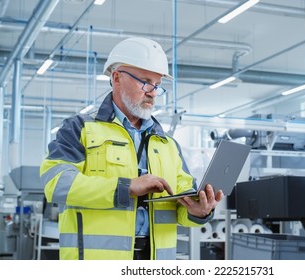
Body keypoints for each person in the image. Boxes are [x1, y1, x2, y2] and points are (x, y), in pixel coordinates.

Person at [40, 37, 223, 260]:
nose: (153, 92)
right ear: (117, 77)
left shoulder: (168, 145)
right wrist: (127, 187)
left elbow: (182, 207)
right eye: (145, 82)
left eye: (157, 85)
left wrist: (199, 211)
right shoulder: (80, 128)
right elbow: (56, 184)